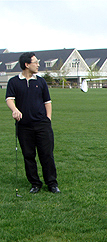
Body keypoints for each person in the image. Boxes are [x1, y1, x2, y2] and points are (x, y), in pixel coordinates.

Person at [5, 52, 60, 194]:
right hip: (24, 127)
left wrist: (48, 119)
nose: (38, 64)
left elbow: (47, 102)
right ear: (26, 65)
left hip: (42, 125)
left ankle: (52, 184)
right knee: (28, 156)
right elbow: (9, 99)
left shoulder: (40, 82)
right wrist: (15, 110)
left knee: (46, 155)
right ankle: (35, 183)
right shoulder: (14, 82)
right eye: (35, 62)